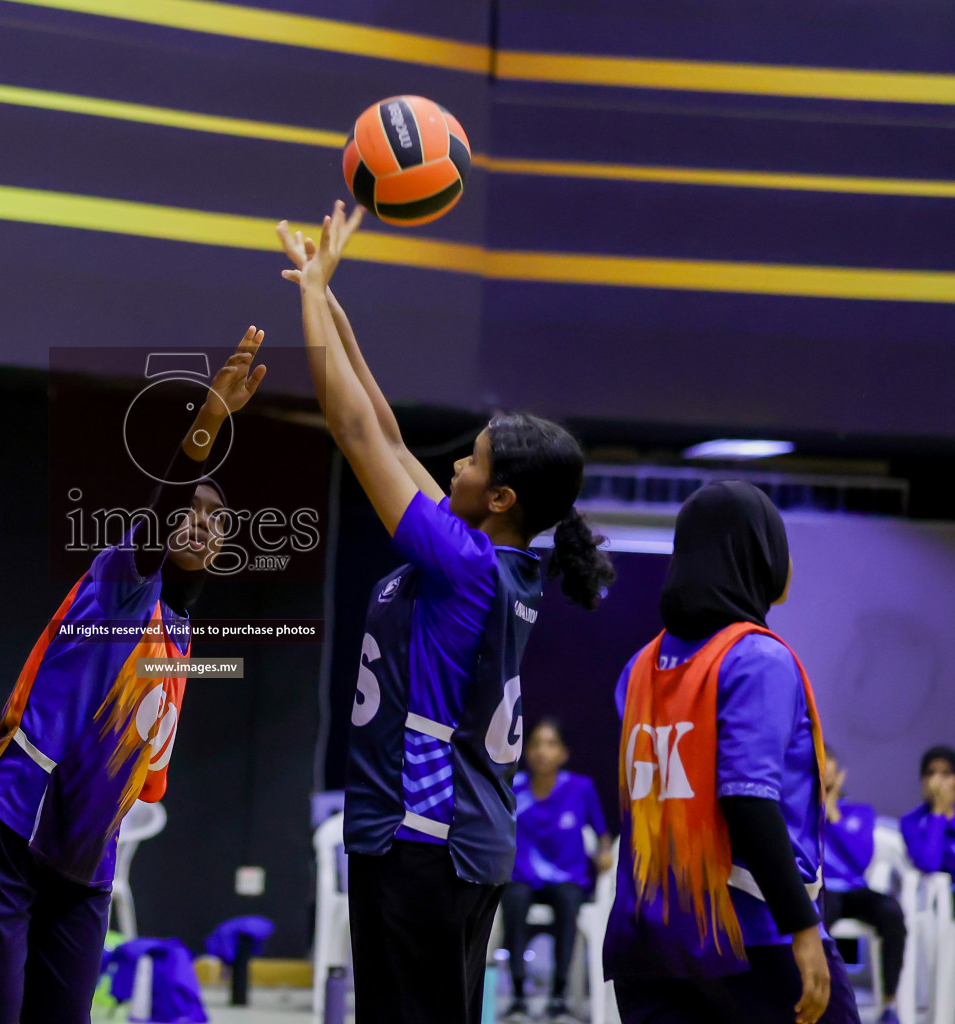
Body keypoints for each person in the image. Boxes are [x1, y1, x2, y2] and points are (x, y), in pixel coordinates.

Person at [278, 204, 614, 1024]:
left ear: (499, 497)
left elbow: (357, 436)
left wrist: (312, 303)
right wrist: (330, 296)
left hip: (425, 837)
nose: (453, 464)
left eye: (470, 458)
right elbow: (387, 433)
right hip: (448, 841)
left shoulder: (464, 564)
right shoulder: (491, 554)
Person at [0, 329, 266, 1024]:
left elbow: (142, 770)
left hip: (85, 855)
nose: (202, 525)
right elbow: (165, 507)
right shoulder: (124, 580)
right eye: (192, 510)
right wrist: (209, 420)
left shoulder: (180, 636)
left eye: (218, 521)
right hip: (11, 820)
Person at [605, 481, 858, 1024]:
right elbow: (746, 800)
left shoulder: (638, 668)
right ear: (759, 556)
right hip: (750, 936)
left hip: (646, 938)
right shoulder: (757, 659)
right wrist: (803, 928)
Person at [501, 718, 613, 1023]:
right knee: (512, 900)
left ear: (563, 752)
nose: (541, 751)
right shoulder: (513, 786)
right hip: (522, 878)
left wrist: (605, 855)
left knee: (568, 902)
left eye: (550, 744)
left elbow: (602, 834)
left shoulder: (580, 788)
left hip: (566, 878)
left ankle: (559, 997)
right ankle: (518, 996)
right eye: (535, 743)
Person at [819, 747, 905, 1023]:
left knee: (891, 913)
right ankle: (822, 1003)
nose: (824, 768)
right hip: (822, 890)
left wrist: (831, 811)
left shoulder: (860, 812)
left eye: (828, 761)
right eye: (818, 761)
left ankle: (889, 1005)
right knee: (816, 923)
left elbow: (860, 860)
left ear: (839, 773)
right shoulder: (802, 813)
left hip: (855, 889)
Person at [900, 744, 955, 904]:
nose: (937, 781)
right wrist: (938, 814)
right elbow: (928, 863)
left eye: (946, 773)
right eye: (931, 773)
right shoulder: (911, 821)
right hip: (938, 898)